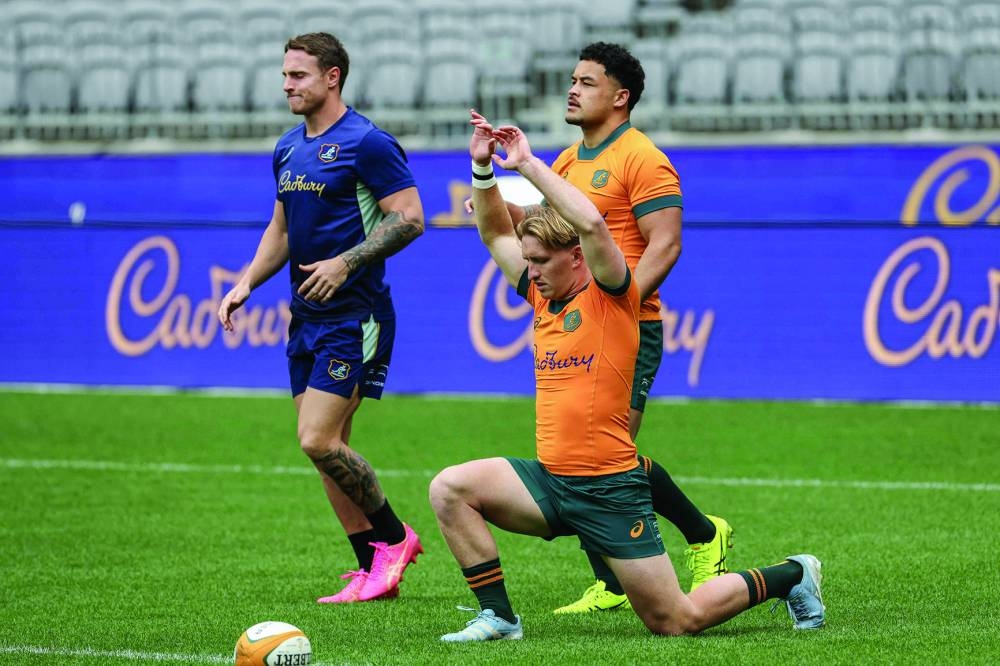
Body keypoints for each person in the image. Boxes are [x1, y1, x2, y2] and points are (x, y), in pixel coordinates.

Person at [428, 112, 825, 642]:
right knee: (450, 488)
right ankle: (499, 617)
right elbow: (495, 230)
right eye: (530, 262)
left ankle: (793, 574)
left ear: (577, 258)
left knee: (675, 622)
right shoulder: (540, 298)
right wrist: (482, 166)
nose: (533, 271)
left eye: (542, 261)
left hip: (610, 490)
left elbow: (592, 223)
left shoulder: (616, 296)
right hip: (551, 481)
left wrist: (525, 163)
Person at [483, 42, 734, 612]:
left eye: (587, 82)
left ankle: (698, 535)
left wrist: (615, 311)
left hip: (627, 325)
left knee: (607, 455)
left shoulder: (643, 158)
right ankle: (618, 577)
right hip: (582, 323)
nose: (572, 89)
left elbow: (665, 242)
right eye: (572, 80)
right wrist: (495, 203)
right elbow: (544, 229)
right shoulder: (569, 162)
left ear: (620, 97)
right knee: (588, 456)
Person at [217, 32, 424, 604]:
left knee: (317, 440)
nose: (287, 84)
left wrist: (347, 261)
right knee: (329, 451)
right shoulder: (287, 147)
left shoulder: (367, 142)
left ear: (333, 77)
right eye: (285, 75)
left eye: (298, 75)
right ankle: (372, 571)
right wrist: (245, 283)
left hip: (354, 317)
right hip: (304, 317)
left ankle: (394, 538)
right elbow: (280, 230)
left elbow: (409, 218)